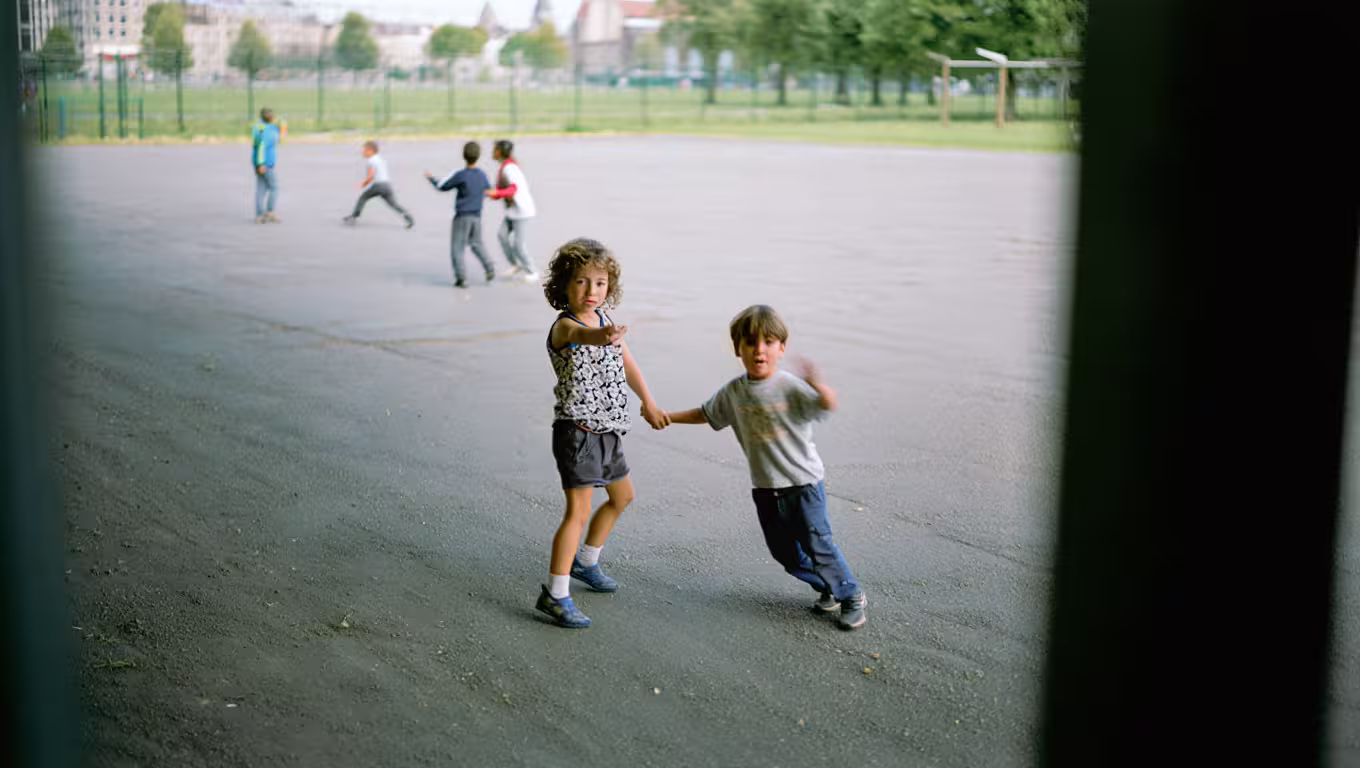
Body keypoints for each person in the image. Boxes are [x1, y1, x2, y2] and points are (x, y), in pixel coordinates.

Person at [661, 305, 868, 630]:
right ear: (738, 349)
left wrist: (820, 386)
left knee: (819, 544)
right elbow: (706, 413)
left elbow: (825, 405)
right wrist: (668, 417)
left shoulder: (789, 387)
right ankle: (828, 586)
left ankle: (851, 595)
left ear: (781, 348)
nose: (759, 350)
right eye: (750, 342)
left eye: (768, 342)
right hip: (766, 488)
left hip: (803, 484)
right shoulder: (733, 392)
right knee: (784, 553)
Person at [535, 238, 667, 628]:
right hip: (576, 431)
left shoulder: (604, 318)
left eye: (600, 282)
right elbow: (584, 338)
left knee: (622, 497)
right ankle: (555, 594)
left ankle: (586, 561)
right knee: (577, 512)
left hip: (608, 429)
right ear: (563, 285)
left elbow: (627, 361)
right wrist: (602, 336)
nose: (591, 291)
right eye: (580, 281)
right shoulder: (566, 326)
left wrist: (648, 401)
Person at [424, 141, 497, 288]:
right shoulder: (482, 174)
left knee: (457, 247)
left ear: (464, 155)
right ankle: (490, 268)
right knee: (477, 243)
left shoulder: (461, 175)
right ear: (478, 156)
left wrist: (431, 179)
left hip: (462, 215)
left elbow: (442, 186)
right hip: (477, 216)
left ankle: (461, 278)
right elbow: (489, 190)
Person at [485, 140, 539, 283]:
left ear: (499, 152)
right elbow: (500, 191)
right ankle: (516, 265)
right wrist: (492, 193)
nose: (492, 152)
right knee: (502, 235)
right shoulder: (505, 166)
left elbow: (513, 189)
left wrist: (497, 193)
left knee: (518, 244)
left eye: (494, 149)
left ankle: (532, 271)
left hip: (522, 211)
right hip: (513, 210)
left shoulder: (509, 168)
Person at [344, 140, 414, 229]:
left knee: (363, 198)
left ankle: (354, 216)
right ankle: (409, 219)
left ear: (370, 150)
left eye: (364, 150)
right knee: (394, 204)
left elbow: (371, 176)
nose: (363, 152)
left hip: (378, 186)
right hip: (387, 185)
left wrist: (363, 184)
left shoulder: (371, 161)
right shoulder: (381, 159)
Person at [250, 108, 286, 223]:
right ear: (271, 118)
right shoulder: (269, 131)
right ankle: (270, 211)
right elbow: (261, 147)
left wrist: (258, 163)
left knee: (261, 189)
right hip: (265, 164)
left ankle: (259, 215)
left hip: (258, 162)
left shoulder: (259, 127)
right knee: (274, 187)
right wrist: (261, 164)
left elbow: (280, 135)